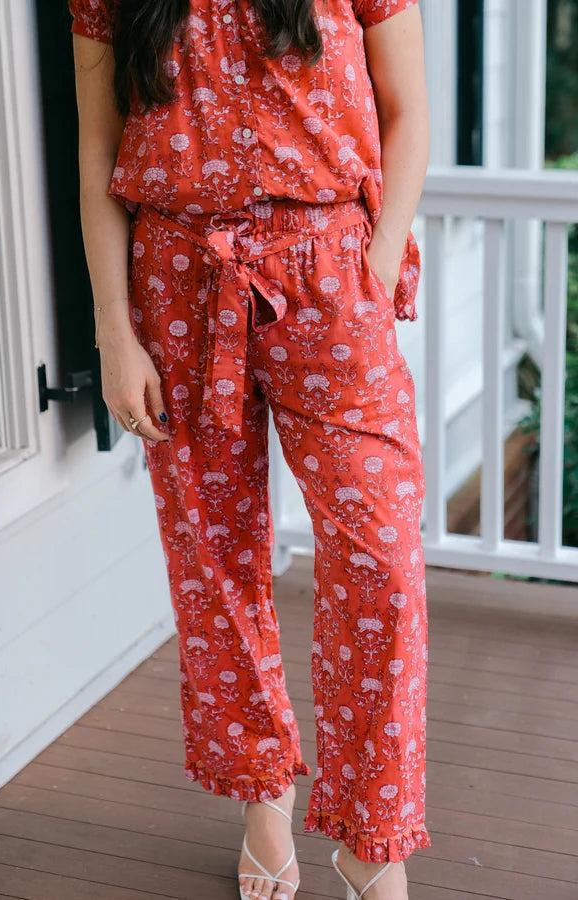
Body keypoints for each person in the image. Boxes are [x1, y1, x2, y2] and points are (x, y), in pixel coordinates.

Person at [68, 0, 430, 897]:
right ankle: (262, 796)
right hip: (177, 275)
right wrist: (114, 328)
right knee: (213, 559)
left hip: (332, 274)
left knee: (381, 557)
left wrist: (378, 260)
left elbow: (409, 108)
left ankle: (372, 835)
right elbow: (97, 146)